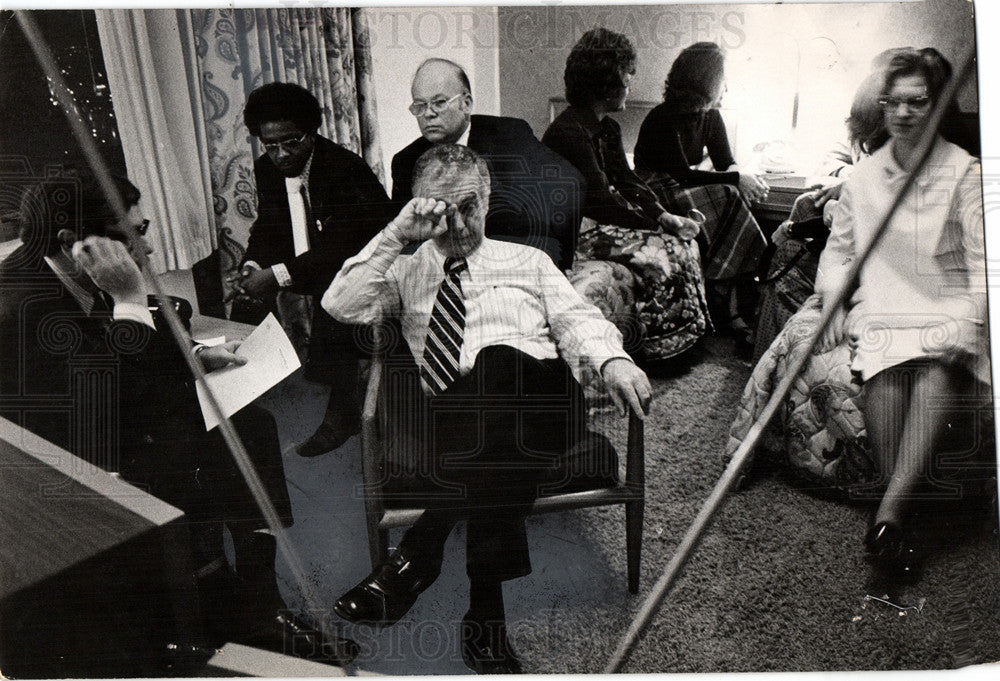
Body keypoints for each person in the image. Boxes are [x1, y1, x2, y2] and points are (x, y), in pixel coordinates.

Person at [0, 175, 358, 665]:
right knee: (220, 446)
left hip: (106, 414)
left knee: (251, 426)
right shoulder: (21, 308)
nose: (145, 245)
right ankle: (226, 596)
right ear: (73, 243)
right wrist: (128, 297)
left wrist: (193, 352)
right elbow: (104, 402)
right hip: (69, 464)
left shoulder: (73, 269)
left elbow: (113, 349)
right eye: (134, 234)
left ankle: (253, 600)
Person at [322, 144, 652, 673]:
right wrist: (397, 235)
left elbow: (577, 319)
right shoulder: (406, 272)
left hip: (546, 405)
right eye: (441, 209)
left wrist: (613, 361)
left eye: (470, 206)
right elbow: (340, 305)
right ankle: (486, 615)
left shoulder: (528, 261)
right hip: (461, 422)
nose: (458, 222)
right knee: (488, 395)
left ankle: (421, 548)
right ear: (419, 208)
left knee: (500, 359)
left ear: (489, 199)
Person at [814, 48, 990, 583]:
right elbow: (839, 251)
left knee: (938, 363)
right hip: (888, 305)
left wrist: (971, 322)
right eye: (894, 102)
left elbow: (988, 265)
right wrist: (834, 300)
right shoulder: (864, 178)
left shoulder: (965, 173)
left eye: (918, 102)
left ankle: (888, 516)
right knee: (886, 370)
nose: (904, 113)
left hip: (949, 300)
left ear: (938, 106)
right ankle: (899, 516)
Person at [232, 82, 393, 458]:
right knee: (250, 304)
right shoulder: (267, 168)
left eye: (291, 142)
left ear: (312, 131)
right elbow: (269, 226)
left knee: (331, 303)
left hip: (372, 264)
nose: (281, 154)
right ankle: (255, 418)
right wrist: (253, 265)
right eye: (269, 144)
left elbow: (342, 248)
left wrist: (277, 275)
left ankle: (341, 414)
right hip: (324, 264)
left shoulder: (344, 170)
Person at [541, 27, 711, 360]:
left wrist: (663, 216)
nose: (630, 84)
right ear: (604, 83)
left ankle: (689, 339)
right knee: (661, 252)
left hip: (596, 221)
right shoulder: (568, 131)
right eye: (627, 77)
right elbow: (602, 200)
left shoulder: (609, 127)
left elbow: (628, 180)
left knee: (682, 242)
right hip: (572, 231)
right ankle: (659, 349)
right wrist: (655, 227)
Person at [391, 58, 584, 271]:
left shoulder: (510, 136)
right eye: (420, 105)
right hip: (443, 271)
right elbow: (408, 241)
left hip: (509, 263)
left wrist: (560, 263)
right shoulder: (405, 162)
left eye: (439, 102)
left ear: (466, 103)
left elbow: (571, 183)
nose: (428, 113)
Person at [633, 41, 770, 338]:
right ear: (705, 81)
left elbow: (725, 162)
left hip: (683, 186)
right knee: (728, 193)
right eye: (723, 81)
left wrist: (742, 177)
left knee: (734, 193)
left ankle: (725, 294)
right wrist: (736, 181)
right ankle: (727, 302)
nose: (727, 89)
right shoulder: (662, 118)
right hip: (656, 189)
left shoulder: (710, 115)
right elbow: (682, 176)